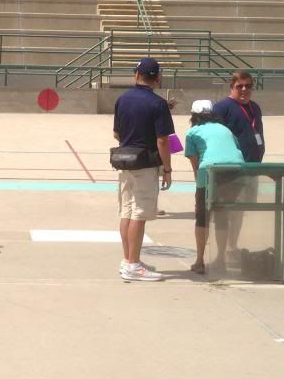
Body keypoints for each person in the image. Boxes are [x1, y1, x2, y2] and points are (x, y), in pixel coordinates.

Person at [112, 57, 174, 281]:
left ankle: (127, 259)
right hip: (145, 164)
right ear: (157, 78)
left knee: (126, 212)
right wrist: (167, 169)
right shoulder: (158, 104)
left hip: (124, 161)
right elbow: (163, 141)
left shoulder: (122, 99)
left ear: (137, 75)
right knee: (139, 214)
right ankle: (133, 265)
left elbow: (117, 133)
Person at [183, 100, 245, 275]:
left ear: (193, 116)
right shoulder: (225, 129)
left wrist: (199, 189)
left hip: (209, 171)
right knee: (222, 216)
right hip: (235, 172)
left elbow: (196, 165)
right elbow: (235, 150)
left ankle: (200, 261)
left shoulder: (192, 132)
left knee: (202, 217)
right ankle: (220, 260)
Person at [212, 69, 266, 267]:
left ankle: (232, 246)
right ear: (232, 87)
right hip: (231, 170)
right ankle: (221, 252)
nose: (244, 90)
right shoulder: (222, 108)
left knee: (240, 211)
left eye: (248, 86)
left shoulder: (255, 107)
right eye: (240, 86)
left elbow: (258, 133)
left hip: (252, 167)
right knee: (227, 211)